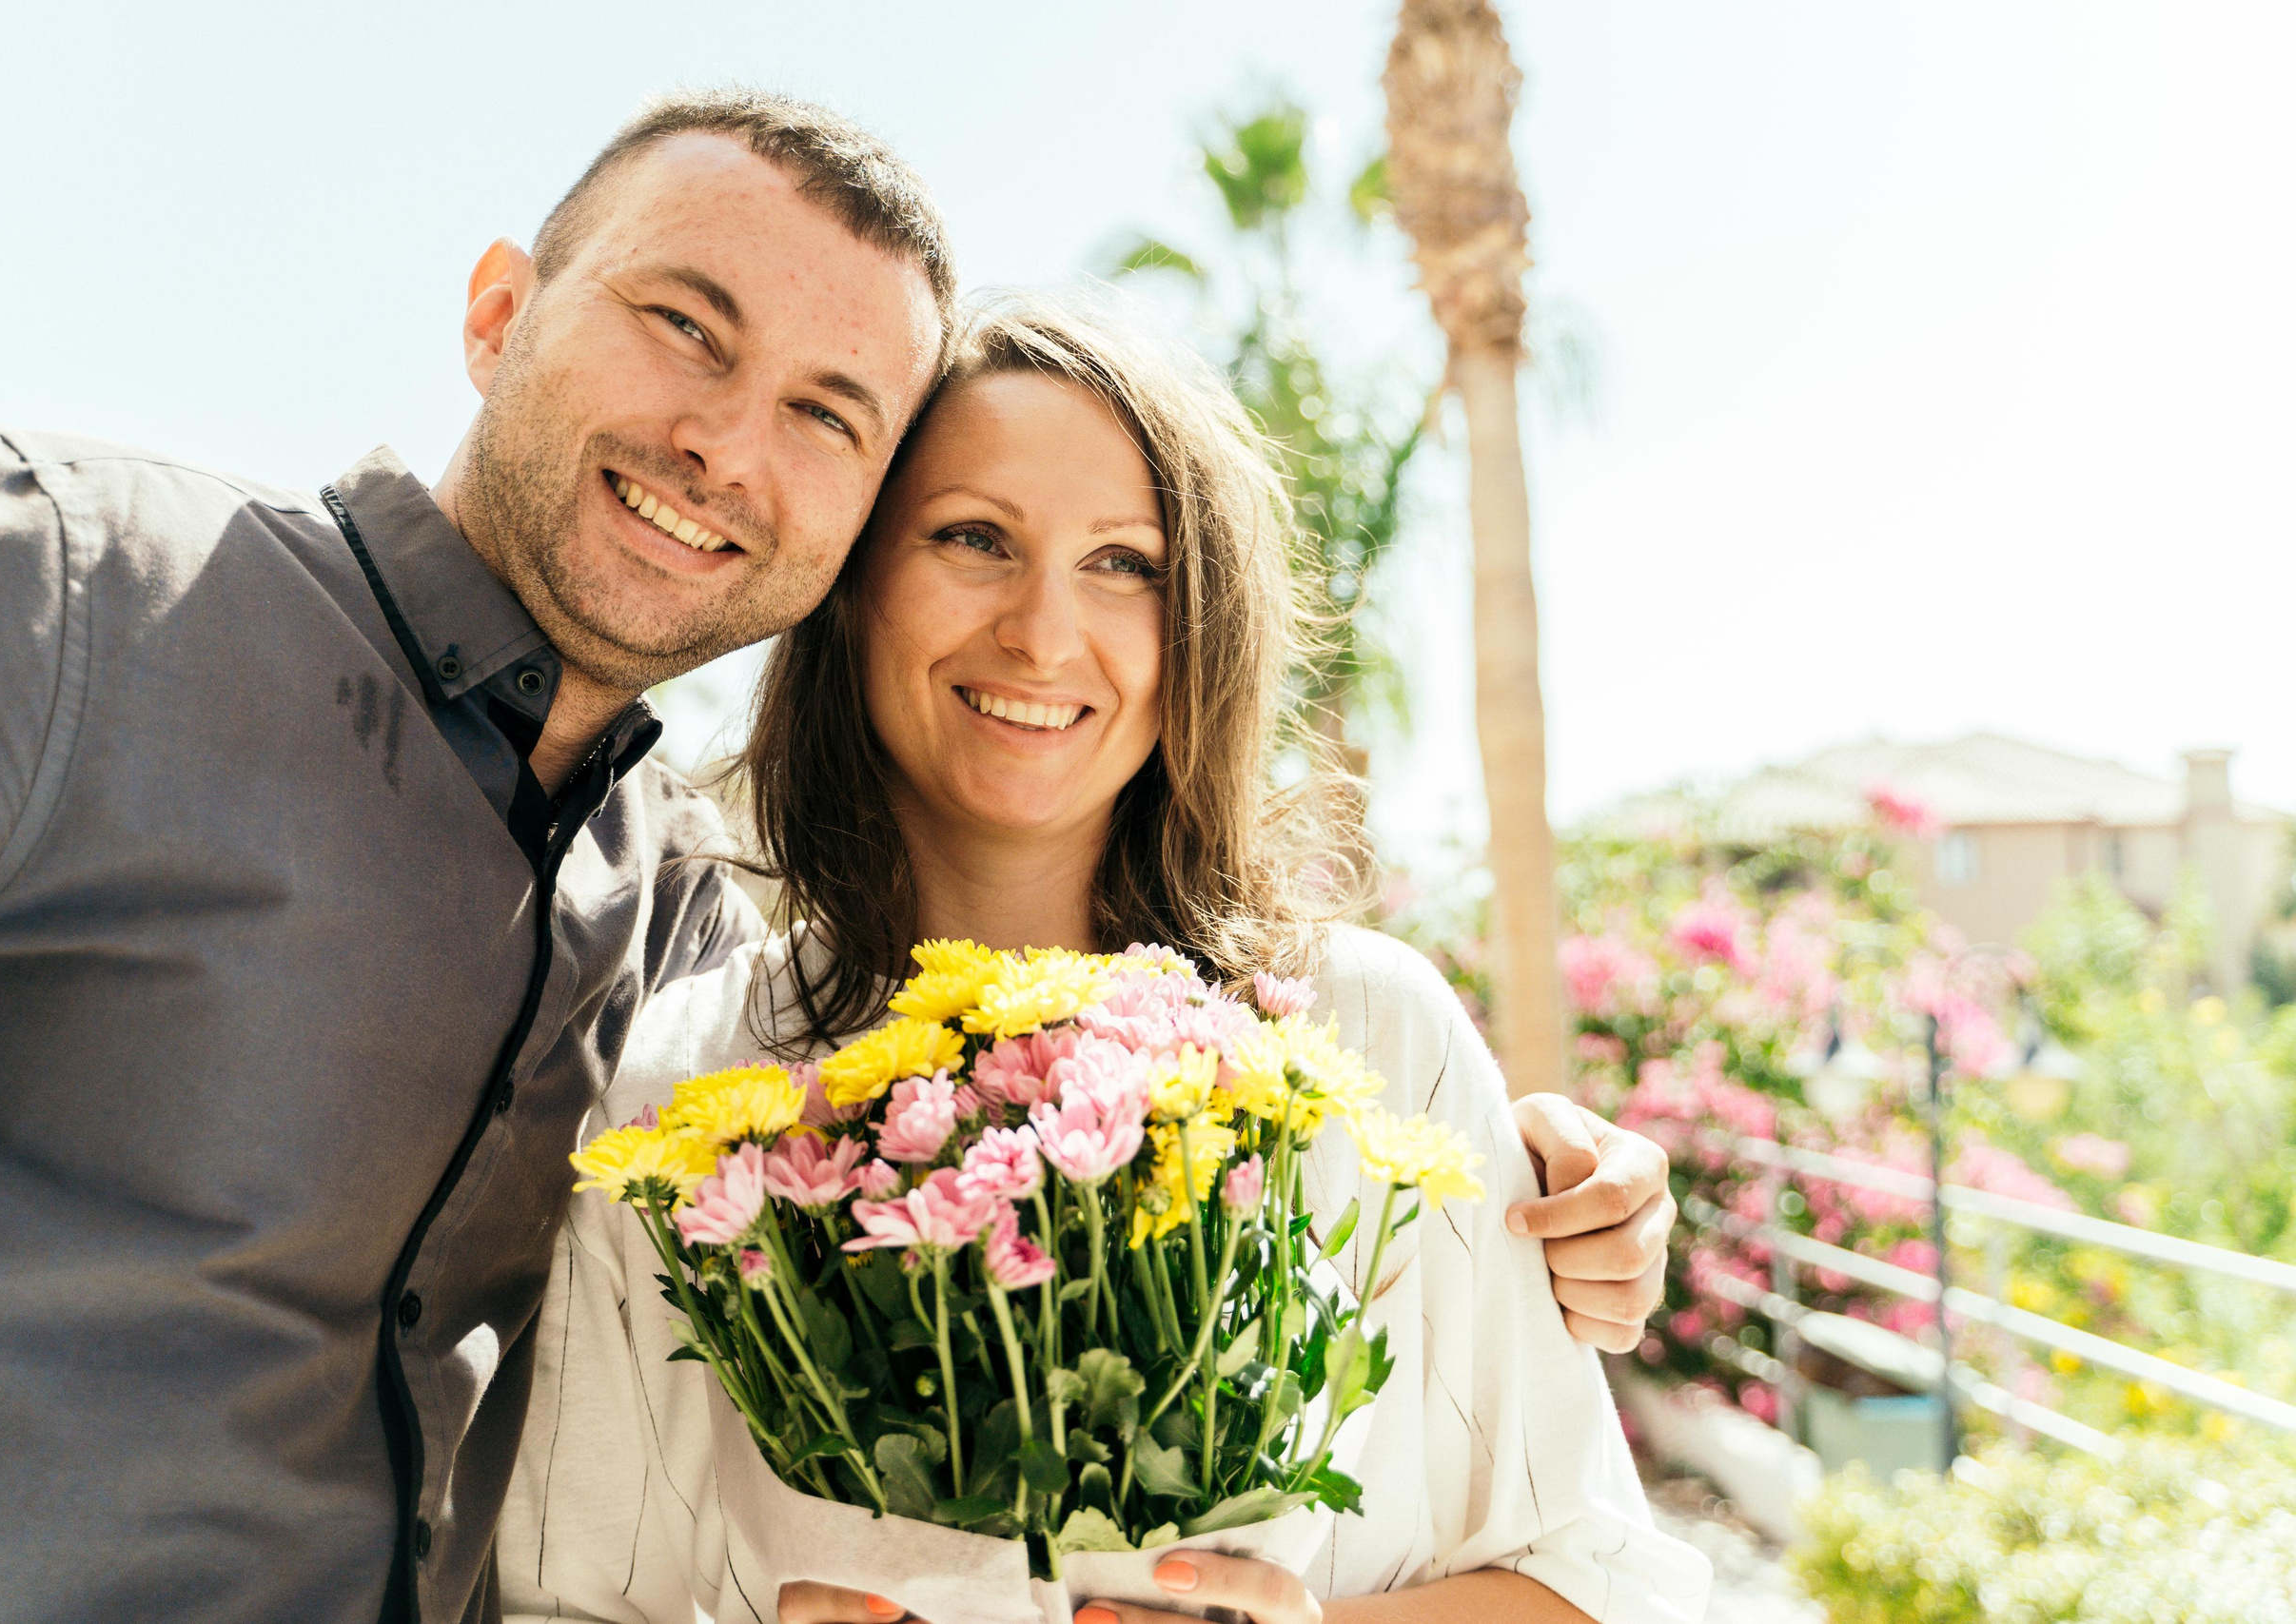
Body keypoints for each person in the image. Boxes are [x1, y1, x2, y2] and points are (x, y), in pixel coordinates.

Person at [0, 90, 1670, 1624]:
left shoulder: (660, 928)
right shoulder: (56, 590)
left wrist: (1549, 1182)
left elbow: (1594, 1562)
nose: (727, 446)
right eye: (686, 328)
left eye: (824, 411)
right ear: (498, 314)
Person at [497, 297, 1710, 1624]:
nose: (1043, 632)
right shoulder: (678, 1097)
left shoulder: (1369, 1043)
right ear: (848, 590)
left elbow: (1597, 1582)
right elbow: (562, 1600)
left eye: (1125, 563)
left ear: (1201, 622)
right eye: (972, 538)